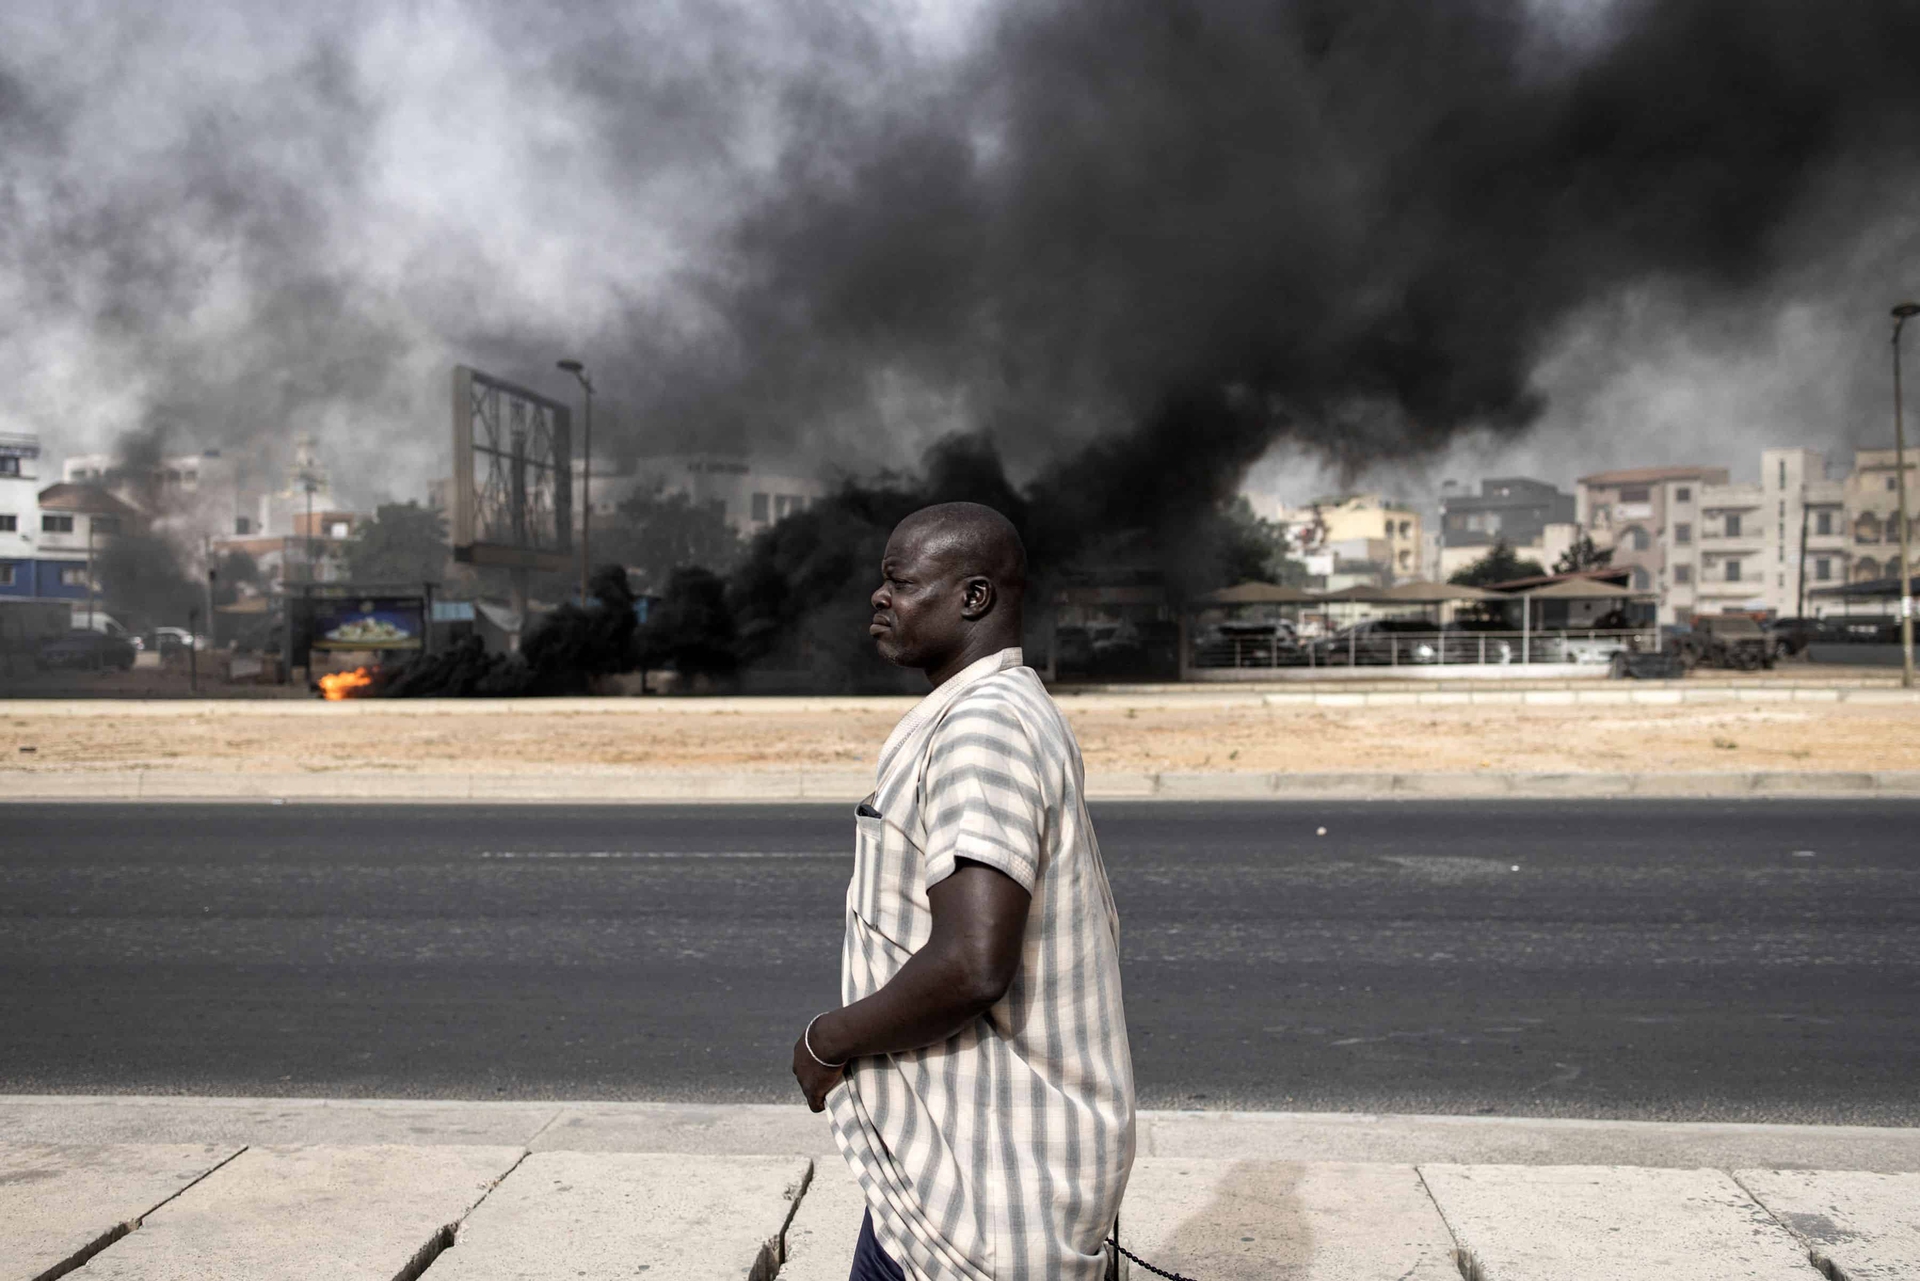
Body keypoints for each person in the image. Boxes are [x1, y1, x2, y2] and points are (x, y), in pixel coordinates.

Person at [791, 502, 1135, 1281]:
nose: (881, 598)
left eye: (901, 582)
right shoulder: (1006, 708)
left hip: (983, 1202)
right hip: (962, 1173)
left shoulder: (984, 728)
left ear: (974, 597)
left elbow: (973, 963)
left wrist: (827, 1040)